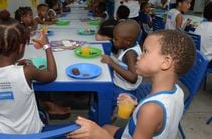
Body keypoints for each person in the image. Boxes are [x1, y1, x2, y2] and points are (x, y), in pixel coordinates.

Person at [67, 29, 196, 139]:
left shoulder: (150, 110)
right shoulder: (177, 91)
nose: (139, 56)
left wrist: (100, 135)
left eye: (146, 51)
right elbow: (161, 119)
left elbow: (151, 114)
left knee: (100, 131)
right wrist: (136, 109)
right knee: (106, 127)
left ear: (165, 62)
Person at [0, 10, 57, 134]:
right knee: (42, 114)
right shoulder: (27, 71)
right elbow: (52, 74)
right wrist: (47, 46)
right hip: (30, 133)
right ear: (20, 47)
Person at [15, 7, 71, 120]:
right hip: (28, 126)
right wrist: (46, 46)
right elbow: (51, 75)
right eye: (29, 16)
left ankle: (49, 103)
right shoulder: (18, 29)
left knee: (32, 73)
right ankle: (50, 105)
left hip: (1, 125)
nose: (31, 17)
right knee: (35, 77)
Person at [100, 19, 143, 109]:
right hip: (121, 84)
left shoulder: (130, 54)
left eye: (115, 39)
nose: (113, 40)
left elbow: (133, 77)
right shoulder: (127, 45)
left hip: (124, 89)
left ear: (128, 41)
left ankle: (105, 119)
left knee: (106, 103)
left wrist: (111, 62)